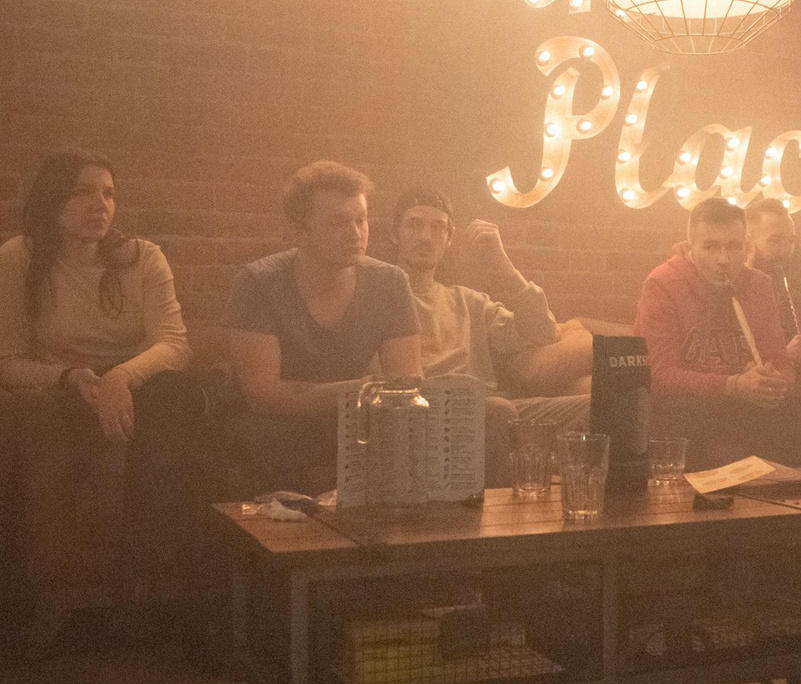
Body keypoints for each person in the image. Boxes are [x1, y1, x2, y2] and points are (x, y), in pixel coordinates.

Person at [0, 149, 204, 644]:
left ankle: (152, 585)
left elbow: (174, 344)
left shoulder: (142, 257)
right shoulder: (19, 257)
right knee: (29, 412)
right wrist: (72, 377)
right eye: (83, 192)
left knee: (181, 395)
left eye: (109, 194)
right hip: (64, 391)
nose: (101, 205)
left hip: (135, 389)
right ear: (51, 200)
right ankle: (33, 598)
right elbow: (7, 363)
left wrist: (121, 377)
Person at [225, 161, 420, 495]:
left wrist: (367, 397)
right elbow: (263, 395)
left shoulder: (390, 282)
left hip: (358, 418)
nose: (356, 233)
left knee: (484, 418)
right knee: (269, 438)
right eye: (337, 222)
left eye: (361, 219)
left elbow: (408, 383)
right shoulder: (258, 283)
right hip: (279, 425)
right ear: (299, 231)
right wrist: (358, 392)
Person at [638, 198, 801, 467]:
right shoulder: (663, 284)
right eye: (711, 247)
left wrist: (774, 381)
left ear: (746, 246)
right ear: (691, 248)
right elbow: (657, 375)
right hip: (685, 417)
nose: (724, 259)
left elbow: (781, 363)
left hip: (746, 413)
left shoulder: (759, 285)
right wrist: (733, 385)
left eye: (734, 246)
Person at [390, 190, 587, 483]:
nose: (425, 236)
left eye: (437, 227)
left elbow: (543, 332)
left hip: (494, 410)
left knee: (595, 407)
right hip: (428, 417)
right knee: (498, 411)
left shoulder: (469, 301)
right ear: (395, 235)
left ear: (449, 239)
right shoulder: (381, 295)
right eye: (414, 225)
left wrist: (502, 264)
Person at [744, 198, 801, 387]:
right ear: (747, 242)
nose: (786, 249)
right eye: (775, 240)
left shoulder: (798, 299)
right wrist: (784, 356)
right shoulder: (730, 295)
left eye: (791, 240)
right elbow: (727, 367)